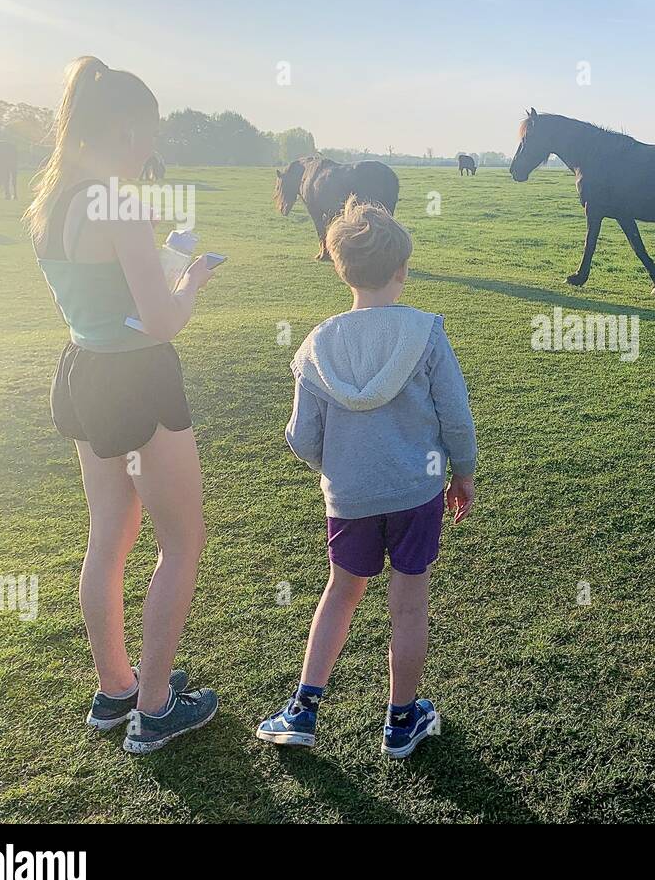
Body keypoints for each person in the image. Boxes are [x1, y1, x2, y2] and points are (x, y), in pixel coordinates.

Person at [25, 57, 218, 754]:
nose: (152, 148)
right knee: (181, 541)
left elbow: (107, 298)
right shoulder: (121, 202)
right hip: (137, 379)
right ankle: (157, 706)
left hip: (84, 373)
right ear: (126, 128)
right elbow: (162, 320)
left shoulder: (52, 201)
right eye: (149, 133)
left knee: (108, 536)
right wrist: (192, 276)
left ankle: (117, 688)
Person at [257, 198, 477, 758]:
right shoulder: (425, 333)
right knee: (408, 603)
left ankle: (303, 709)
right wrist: (463, 472)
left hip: (348, 499)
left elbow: (300, 435)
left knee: (340, 594)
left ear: (340, 267)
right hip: (415, 493)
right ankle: (402, 720)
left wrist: (340, 472)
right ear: (402, 269)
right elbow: (455, 414)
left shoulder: (317, 344)